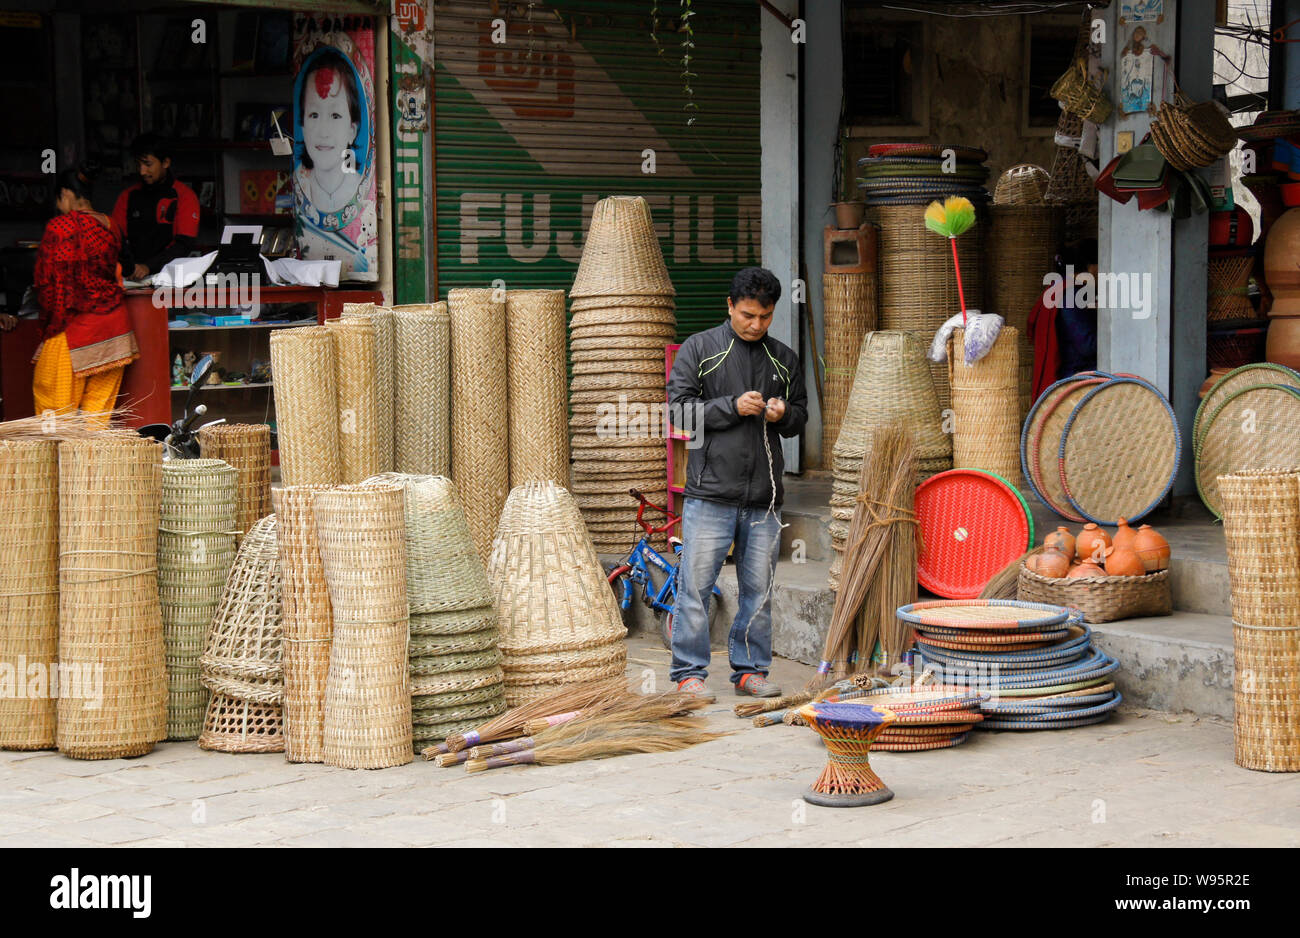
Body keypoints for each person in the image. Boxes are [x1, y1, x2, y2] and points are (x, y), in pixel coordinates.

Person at [666, 267, 808, 700]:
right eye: (747, 315)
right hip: (710, 495)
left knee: (758, 593)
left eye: (765, 317)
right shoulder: (701, 348)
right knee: (696, 589)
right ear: (729, 307)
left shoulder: (784, 358)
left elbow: (801, 416)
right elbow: (679, 413)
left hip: (764, 501)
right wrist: (731, 406)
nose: (756, 325)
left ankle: (750, 671)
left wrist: (784, 415)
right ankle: (689, 674)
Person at [31, 165, 138, 421]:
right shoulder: (111, 225)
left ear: (66, 194)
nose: (60, 207)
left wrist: (46, 326)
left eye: (59, 200)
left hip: (74, 329)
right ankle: (91, 462)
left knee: (54, 415)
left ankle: (57, 462)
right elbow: (127, 267)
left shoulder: (60, 227)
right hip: (114, 333)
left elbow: (47, 283)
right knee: (96, 420)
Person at [111, 133, 200, 280]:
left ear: (165, 162)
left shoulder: (184, 196)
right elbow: (116, 240)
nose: (142, 171)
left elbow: (184, 244)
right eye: (138, 164)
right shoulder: (127, 196)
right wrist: (130, 268)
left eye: (148, 164)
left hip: (172, 279)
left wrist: (148, 267)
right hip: (131, 279)